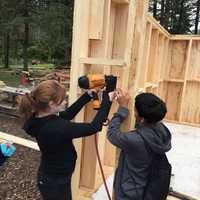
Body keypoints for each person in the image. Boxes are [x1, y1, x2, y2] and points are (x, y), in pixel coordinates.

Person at [18, 77, 116, 200]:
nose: (65, 102)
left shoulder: (40, 117)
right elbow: (93, 127)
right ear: (51, 104)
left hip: (54, 176)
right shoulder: (56, 128)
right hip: (55, 182)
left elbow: (67, 114)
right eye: (62, 100)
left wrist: (87, 96)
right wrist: (108, 100)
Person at [107, 89, 172, 200]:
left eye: (135, 111)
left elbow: (112, 134)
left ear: (141, 118)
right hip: (145, 189)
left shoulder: (135, 140)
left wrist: (122, 109)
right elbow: (144, 124)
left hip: (129, 194)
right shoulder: (162, 131)